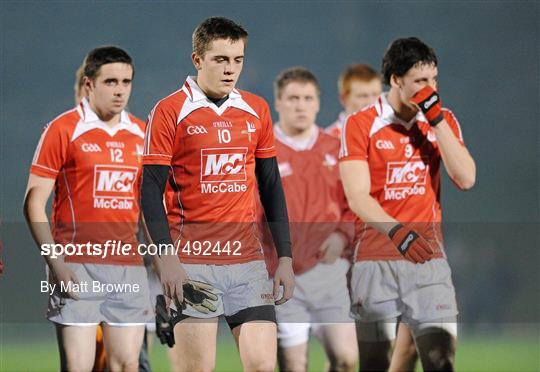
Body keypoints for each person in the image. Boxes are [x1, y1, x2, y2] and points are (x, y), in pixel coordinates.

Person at [140, 17, 295, 372]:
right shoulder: (169, 111)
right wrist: (165, 258)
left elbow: (271, 185)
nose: (230, 69)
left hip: (247, 261)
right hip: (192, 261)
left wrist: (285, 256)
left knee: (262, 366)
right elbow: (149, 191)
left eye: (237, 60)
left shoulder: (256, 110)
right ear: (197, 59)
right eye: (220, 59)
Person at [339, 37, 476, 371]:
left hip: (428, 260)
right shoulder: (360, 124)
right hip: (375, 260)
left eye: (434, 80)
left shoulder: (442, 121)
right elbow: (357, 196)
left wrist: (437, 121)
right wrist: (398, 233)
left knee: (440, 360)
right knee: (374, 364)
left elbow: (466, 178)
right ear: (396, 80)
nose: (430, 89)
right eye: (420, 81)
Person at [24, 46, 152, 371]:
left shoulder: (141, 133)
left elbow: (150, 208)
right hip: (77, 265)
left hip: (128, 266)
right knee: (78, 366)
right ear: (89, 84)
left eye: (126, 81)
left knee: (127, 365)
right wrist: (56, 265)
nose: (120, 90)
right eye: (111, 81)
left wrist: (162, 263)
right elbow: (33, 202)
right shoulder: (63, 129)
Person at [265, 67, 357, 372]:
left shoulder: (335, 149)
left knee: (346, 359)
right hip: (282, 276)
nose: (300, 105)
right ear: (277, 103)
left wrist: (343, 235)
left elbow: (354, 203)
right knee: (294, 366)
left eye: (307, 98)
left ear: (318, 103)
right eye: (292, 98)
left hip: (328, 273)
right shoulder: (263, 152)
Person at [326, 64, 382, 138]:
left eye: (375, 94)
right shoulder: (329, 139)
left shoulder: (391, 134)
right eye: (363, 96)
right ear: (344, 99)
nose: (371, 102)